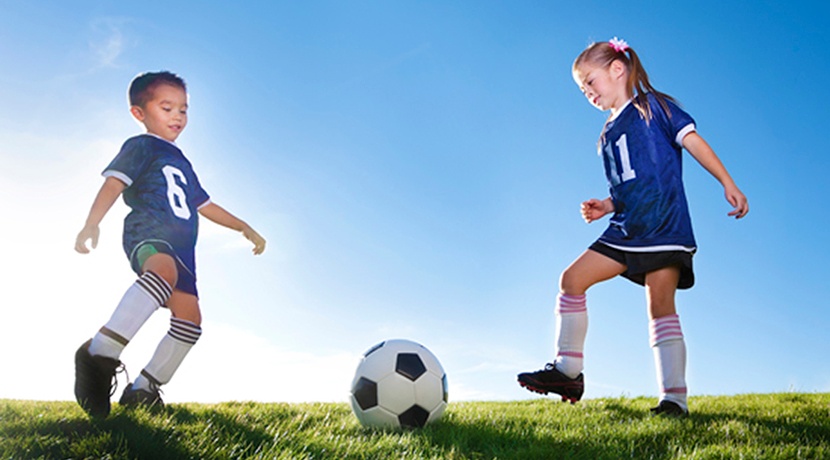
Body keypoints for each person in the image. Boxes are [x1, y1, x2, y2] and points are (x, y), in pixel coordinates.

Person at [517, 37, 748, 417]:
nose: (587, 92)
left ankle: (674, 400)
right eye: (582, 88)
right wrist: (607, 205)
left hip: (663, 225)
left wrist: (727, 182)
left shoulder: (652, 108)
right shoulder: (606, 135)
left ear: (617, 69)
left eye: (590, 81)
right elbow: (628, 184)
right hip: (626, 228)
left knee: (660, 307)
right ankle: (568, 372)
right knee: (571, 280)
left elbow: (693, 142)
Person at [73, 71, 266, 418]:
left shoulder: (183, 162)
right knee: (160, 271)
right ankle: (97, 356)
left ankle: (144, 389)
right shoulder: (141, 145)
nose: (178, 116)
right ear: (139, 113)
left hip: (183, 248)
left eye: (183, 109)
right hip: (149, 230)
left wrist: (243, 227)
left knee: (190, 319)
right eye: (167, 107)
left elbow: (204, 205)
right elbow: (114, 184)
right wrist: (92, 223)